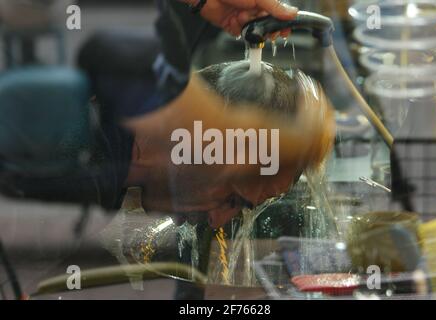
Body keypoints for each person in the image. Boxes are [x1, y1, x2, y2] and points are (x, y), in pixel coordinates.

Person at [76, 0, 336, 228]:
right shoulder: (85, 158)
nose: (217, 221)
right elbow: (110, 51)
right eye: (232, 199)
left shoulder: (111, 170)